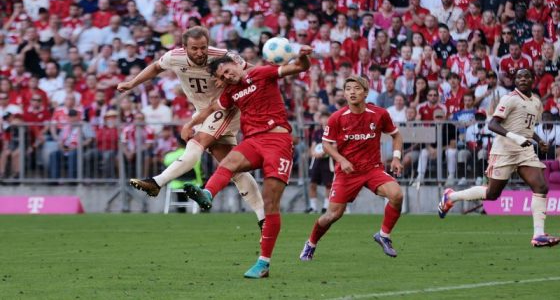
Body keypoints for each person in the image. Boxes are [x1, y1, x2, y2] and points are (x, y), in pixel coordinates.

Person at [181, 46, 313, 279]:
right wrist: (190, 124)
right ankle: (208, 194)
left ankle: (263, 263)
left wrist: (301, 54)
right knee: (228, 163)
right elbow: (212, 108)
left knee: (270, 203)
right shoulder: (231, 93)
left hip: (278, 141)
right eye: (222, 77)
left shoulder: (263, 73)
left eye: (227, 71)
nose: (227, 77)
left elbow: (301, 67)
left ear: (236, 63)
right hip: (253, 141)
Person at [117, 26, 265, 227]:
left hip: (226, 107)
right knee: (233, 167)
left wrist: (235, 77)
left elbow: (254, 71)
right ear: (184, 47)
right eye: (194, 48)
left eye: (203, 47)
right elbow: (155, 67)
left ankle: (157, 182)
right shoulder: (173, 57)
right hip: (204, 112)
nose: (200, 52)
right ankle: (263, 216)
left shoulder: (222, 56)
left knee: (198, 142)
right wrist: (132, 83)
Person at [438, 69, 560, 248]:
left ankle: (539, 234)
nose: (523, 79)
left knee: (541, 186)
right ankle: (451, 196)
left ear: (533, 80)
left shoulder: (536, 102)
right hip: (504, 150)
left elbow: (526, 126)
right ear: (515, 80)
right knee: (492, 194)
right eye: (519, 77)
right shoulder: (509, 98)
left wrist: (539, 140)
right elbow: (493, 124)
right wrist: (515, 137)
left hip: (524, 151)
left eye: (527, 76)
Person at [299, 75, 404, 261]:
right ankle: (311, 243)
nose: (352, 92)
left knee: (396, 194)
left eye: (356, 88)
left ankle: (384, 235)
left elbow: (396, 136)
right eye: (348, 89)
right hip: (347, 173)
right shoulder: (337, 118)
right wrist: (342, 160)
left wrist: (396, 158)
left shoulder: (379, 114)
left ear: (365, 92)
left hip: (372, 169)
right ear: (345, 94)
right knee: (332, 215)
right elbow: (326, 144)